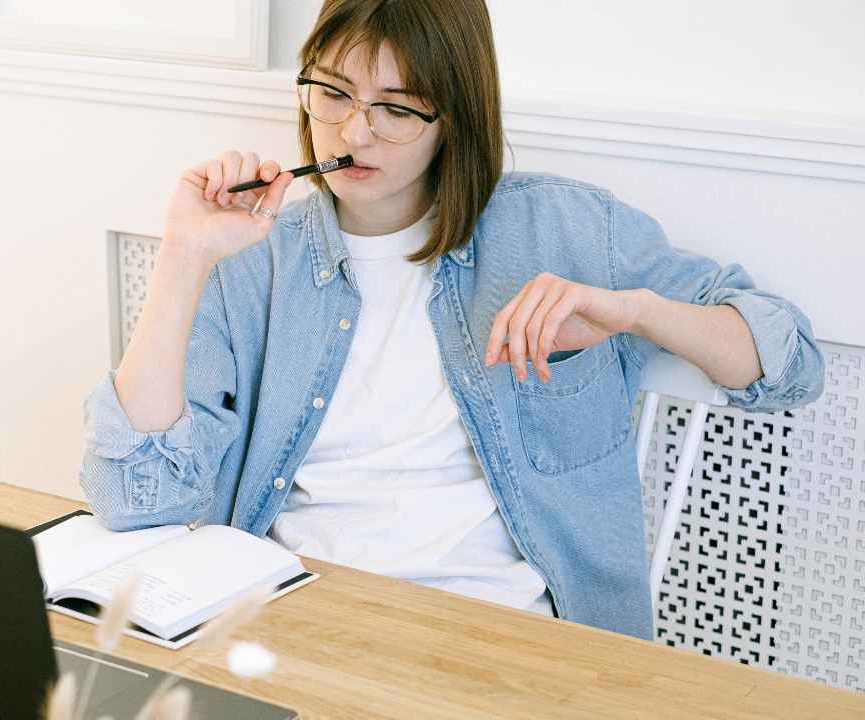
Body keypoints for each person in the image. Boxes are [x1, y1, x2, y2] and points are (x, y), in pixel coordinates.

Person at [77, 0, 824, 640]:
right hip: (294, 623)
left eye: (397, 109)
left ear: (454, 117)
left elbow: (789, 367)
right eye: (332, 94)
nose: (354, 134)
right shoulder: (250, 260)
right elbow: (138, 499)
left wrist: (635, 312)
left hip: (501, 639)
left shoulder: (564, 228)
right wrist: (183, 258)